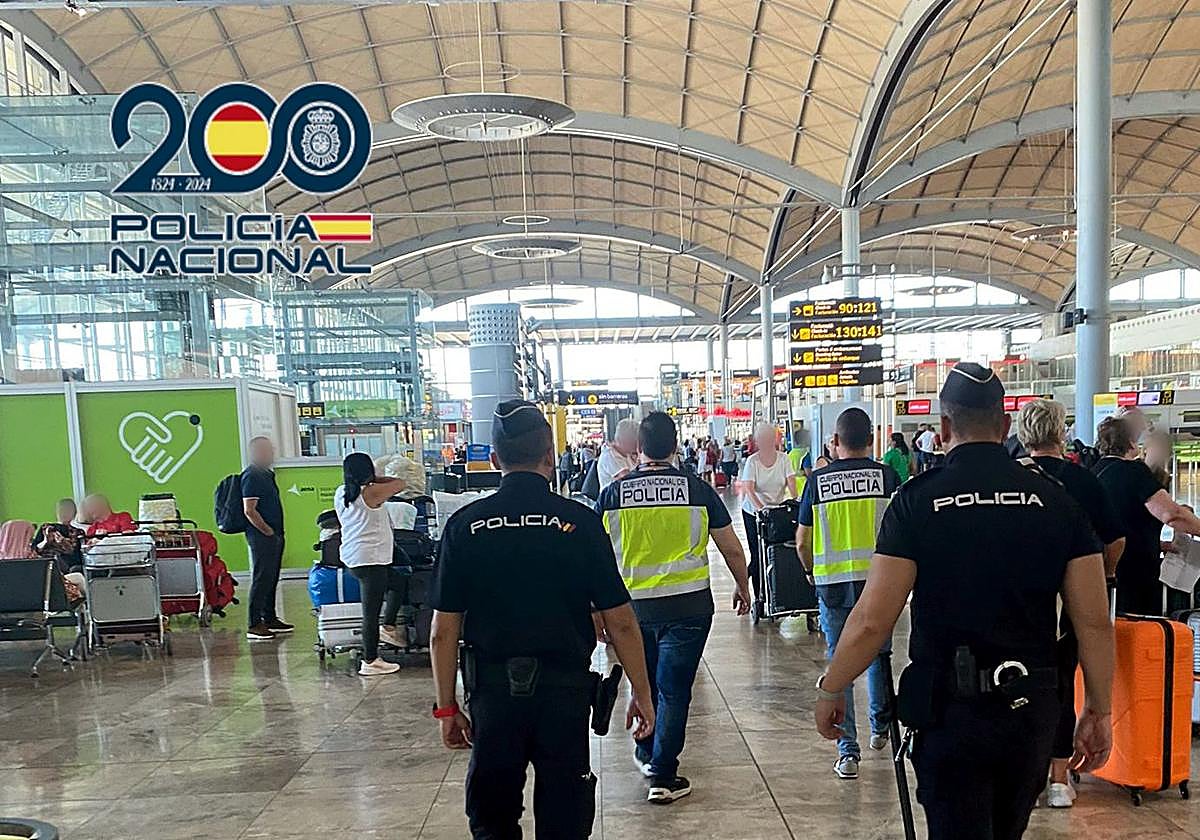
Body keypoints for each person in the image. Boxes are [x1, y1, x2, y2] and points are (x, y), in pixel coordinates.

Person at [813, 362, 1114, 840]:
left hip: (950, 714)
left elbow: (872, 620)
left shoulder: (917, 501)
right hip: (1030, 711)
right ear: (1005, 425)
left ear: (945, 426)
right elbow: (1094, 622)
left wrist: (833, 687)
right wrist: (1099, 708)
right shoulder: (1056, 502)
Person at [429, 400, 655, 839]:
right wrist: (642, 693)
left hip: (493, 698)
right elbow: (622, 623)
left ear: (494, 460)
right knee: (565, 821)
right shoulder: (580, 524)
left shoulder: (464, 526)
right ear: (551, 457)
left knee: (492, 820)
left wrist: (447, 707)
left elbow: (442, 631)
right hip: (564, 697)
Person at [596, 412, 752, 803]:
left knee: (643, 683)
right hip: (689, 608)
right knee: (675, 690)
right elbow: (731, 546)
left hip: (631, 612)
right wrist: (742, 584)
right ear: (675, 443)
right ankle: (663, 774)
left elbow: (594, 557)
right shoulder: (697, 490)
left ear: (640, 447)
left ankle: (648, 753)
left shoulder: (614, 493)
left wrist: (595, 608)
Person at [1015, 399, 1125, 809]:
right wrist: (1100, 578)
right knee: (1060, 682)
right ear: (1061, 434)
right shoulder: (1083, 482)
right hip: (1069, 605)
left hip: (1021, 601)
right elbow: (1115, 539)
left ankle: (1024, 770)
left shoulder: (1013, 478)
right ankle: (1059, 779)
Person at [796, 408, 900, 780]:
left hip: (834, 584)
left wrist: (809, 570)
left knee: (840, 662)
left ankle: (848, 750)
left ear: (835, 442)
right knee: (879, 655)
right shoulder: (888, 476)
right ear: (871, 439)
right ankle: (882, 726)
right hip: (881, 584)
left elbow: (803, 539)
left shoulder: (819, 481)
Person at [1094, 416, 1200, 615]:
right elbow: (1172, 515)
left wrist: (1159, 544)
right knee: (1141, 632)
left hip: (1102, 570)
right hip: (1135, 573)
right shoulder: (1134, 471)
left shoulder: (1095, 472)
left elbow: (1121, 519)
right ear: (1132, 443)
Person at [334, 452, 409, 677]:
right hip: (371, 560)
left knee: (398, 582)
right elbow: (400, 483)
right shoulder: (371, 492)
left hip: (355, 557)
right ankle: (370, 660)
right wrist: (376, 477)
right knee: (370, 612)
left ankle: (387, 628)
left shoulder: (342, 492)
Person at [739, 421, 797, 604]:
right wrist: (760, 509)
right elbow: (748, 488)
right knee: (757, 554)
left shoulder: (784, 459)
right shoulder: (752, 461)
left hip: (777, 512)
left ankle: (780, 594)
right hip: (753, 513)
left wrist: (795, 501)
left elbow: (791, 482)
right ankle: (759, 596)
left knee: (779, 551)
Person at [241, 436, 291, 641]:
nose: (271, 453)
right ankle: (254, 623)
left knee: (272, 576)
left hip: (275, 533)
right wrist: (267, 531)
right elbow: (249, 510)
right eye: (266, 450)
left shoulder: (267, 475)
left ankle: (269, 617)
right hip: (261, 536)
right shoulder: (252, 476)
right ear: (255, 452)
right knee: (262, 578)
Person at [34, 499, 86, 580]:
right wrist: (45, 542)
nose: (64, 513)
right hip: (45, 564)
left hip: (66, 566)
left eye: (68, 510)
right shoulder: (46, 527)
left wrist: (65, 544)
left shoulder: (78, 532)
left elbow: (78, 558)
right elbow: (35, 550)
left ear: (74, 512)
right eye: (62, 510)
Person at [598, 418, 639, 492]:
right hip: (612, 501)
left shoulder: (627, 455)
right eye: (635, 440)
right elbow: (628, 480)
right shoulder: (609, 456)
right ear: (626, 440)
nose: (637, 444)